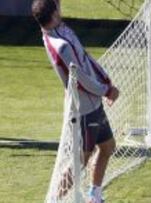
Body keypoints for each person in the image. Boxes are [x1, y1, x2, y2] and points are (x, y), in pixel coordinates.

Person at [32, 0, 119, 202]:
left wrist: (106, 80)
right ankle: (54, 199)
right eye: (57, 7)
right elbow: (81, 80)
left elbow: (86, 58)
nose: (60, 6)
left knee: (107, 147)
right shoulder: (60, 45)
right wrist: (105, 90)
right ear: (53, 14)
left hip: (93, 104)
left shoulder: (60, 29)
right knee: (80, 160)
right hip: (84, 110)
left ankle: (95, 196)